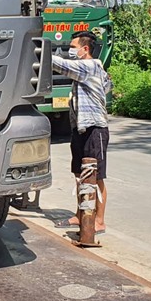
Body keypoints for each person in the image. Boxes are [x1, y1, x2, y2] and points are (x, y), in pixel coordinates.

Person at [51, 31, 112, 233]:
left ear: (85, 49)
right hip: (80, 127)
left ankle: (99, 220)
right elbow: (108, 85)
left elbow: (62, 65)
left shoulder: (90, 66)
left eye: (73, 47)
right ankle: (81, 215)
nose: (70, 51)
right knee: (80, 174)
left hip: (95, 128)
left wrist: (38, 51)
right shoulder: (91, 70)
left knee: (96, 176)